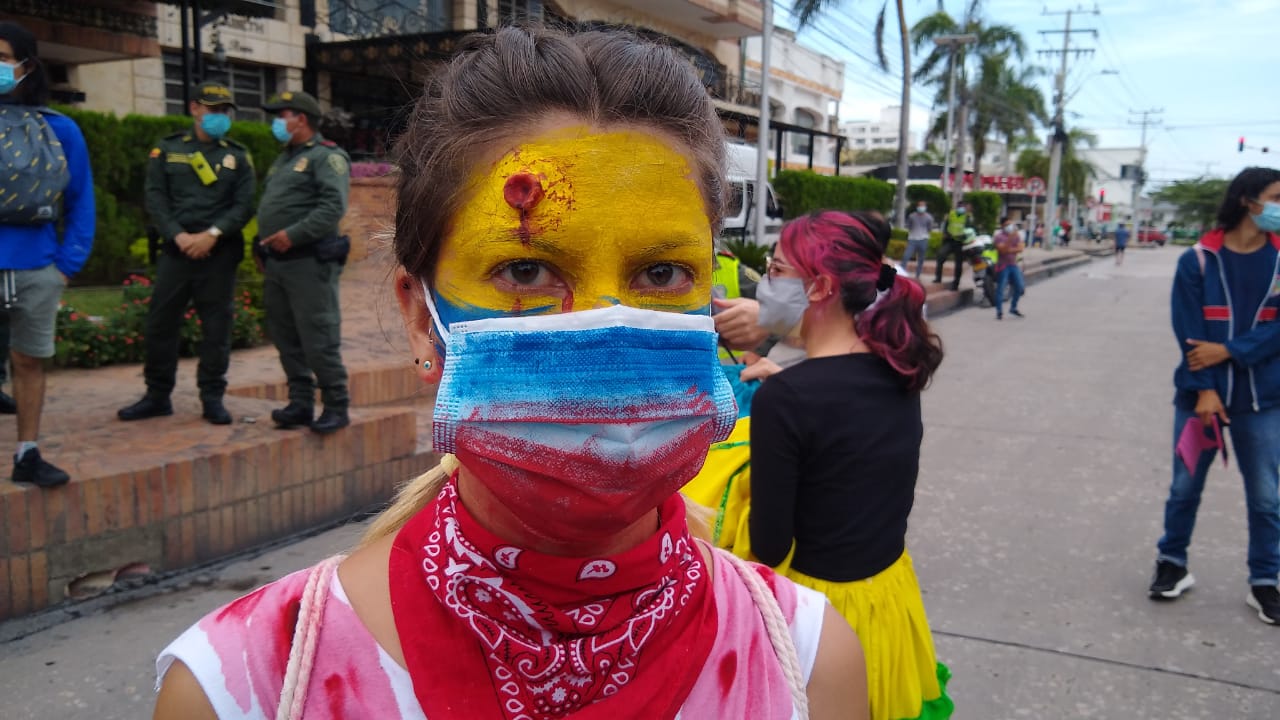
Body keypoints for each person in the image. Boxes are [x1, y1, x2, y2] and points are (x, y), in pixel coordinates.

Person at [153, 26, 869, 720]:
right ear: (418, 314)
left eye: (661, 271)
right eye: (525, 269)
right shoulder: (246, 683)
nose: (605, 327)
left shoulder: (807, 660)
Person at [748, 210, 950, 720]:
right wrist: (783, 378)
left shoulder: (788, 400)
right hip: (888, 597)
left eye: (774, 271)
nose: (765, 285)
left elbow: (768, 547)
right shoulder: (896, 368)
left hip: (821, 622)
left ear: (818, 288)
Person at [1150, 166, 1280, 625]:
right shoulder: (1199, 260)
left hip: (1262, 400)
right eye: (1277, 197)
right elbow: (1187, 332)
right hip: (1197, 399)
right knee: (1184, 487)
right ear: (1249, 200)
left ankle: (1265, 581)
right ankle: (1172, 563)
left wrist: (1229, 349)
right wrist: (1204, 390)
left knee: (1267, 496)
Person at [117, 82, 255, 426]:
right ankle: (157, 395)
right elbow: (156, 199)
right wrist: (178, 236)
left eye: (224, 111)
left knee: (216, 329)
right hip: (176, 253)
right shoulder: (167, 150)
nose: (219, 117)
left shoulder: (237, 156)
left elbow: (243, 205)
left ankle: (212, 397)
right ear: (194, 108)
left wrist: (211, 235)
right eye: (213, 110)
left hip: (219, 253)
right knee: (161, 324)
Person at [0, 22, 94, 487]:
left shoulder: (60, 130)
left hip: (36, 263)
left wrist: (65, 266)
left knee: (30, 360)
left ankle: (27, 451)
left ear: (26, 65)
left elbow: (81, 202)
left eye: (1, 56)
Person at [256, 90, 352, 435]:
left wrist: (292, 234)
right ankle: (300, 402)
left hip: (308, 262)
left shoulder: (326, 158)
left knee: (318, 334)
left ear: (302, 119)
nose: (276, 123)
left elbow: (332, 207)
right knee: (286, 335)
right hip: (279, 263)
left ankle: (336, 405)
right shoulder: (284, 158)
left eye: (281, 115)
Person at [933, 201, 972, 290]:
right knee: (940, 256)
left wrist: (965, 237)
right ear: (957, 206)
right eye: (960, 206)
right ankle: (938, 278)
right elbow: (945, 226)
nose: (961, 208)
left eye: (963, 207)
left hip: (960, 243)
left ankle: (956, 284)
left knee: (958, 264)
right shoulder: (951, 214)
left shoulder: (967, 217)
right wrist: (945, 234)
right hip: (949, 241)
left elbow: (970, 230)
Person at [993, 215, 1025, 321]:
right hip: (1003, 266)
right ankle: (999, 311)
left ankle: (1013, 307)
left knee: (1020, 287)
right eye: (1007, 225)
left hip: (1013, 265)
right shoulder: (998, 237)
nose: (1010, 226)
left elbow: (1020, 248)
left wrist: (1009, 249)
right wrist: (1010, 241)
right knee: (1001, 288)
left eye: (1011, 224)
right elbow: (1002, 251)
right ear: (1002, 226)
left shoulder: (1017, 236)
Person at [903, 201, 934, 280]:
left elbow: (930, 228)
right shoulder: (912, 216)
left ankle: (918, 275)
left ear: (925, 207)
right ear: (917, 206)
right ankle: (902, 273)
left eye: (923, 206)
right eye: (920, 206)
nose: (921, 207)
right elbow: (908, 226)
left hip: (923, 239)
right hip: (912, 239)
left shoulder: (929, 217)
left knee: (921, 258)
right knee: (906, 256)